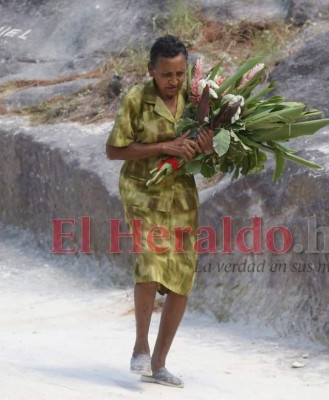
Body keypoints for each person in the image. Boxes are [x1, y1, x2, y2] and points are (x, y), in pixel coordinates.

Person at [105, 34, 214, 388]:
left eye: (180, 74)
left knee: (182, 276)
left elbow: (205, 159)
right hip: (142, 189)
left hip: (181, 193)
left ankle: (159, 364)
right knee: (151, 260)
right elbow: (114, 150)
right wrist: (165, 145)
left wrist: (209, 148)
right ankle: (140, 345)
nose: (173, 82)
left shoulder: (197, 101)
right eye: (166, 74)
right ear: (151, 70)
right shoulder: (137, 99)